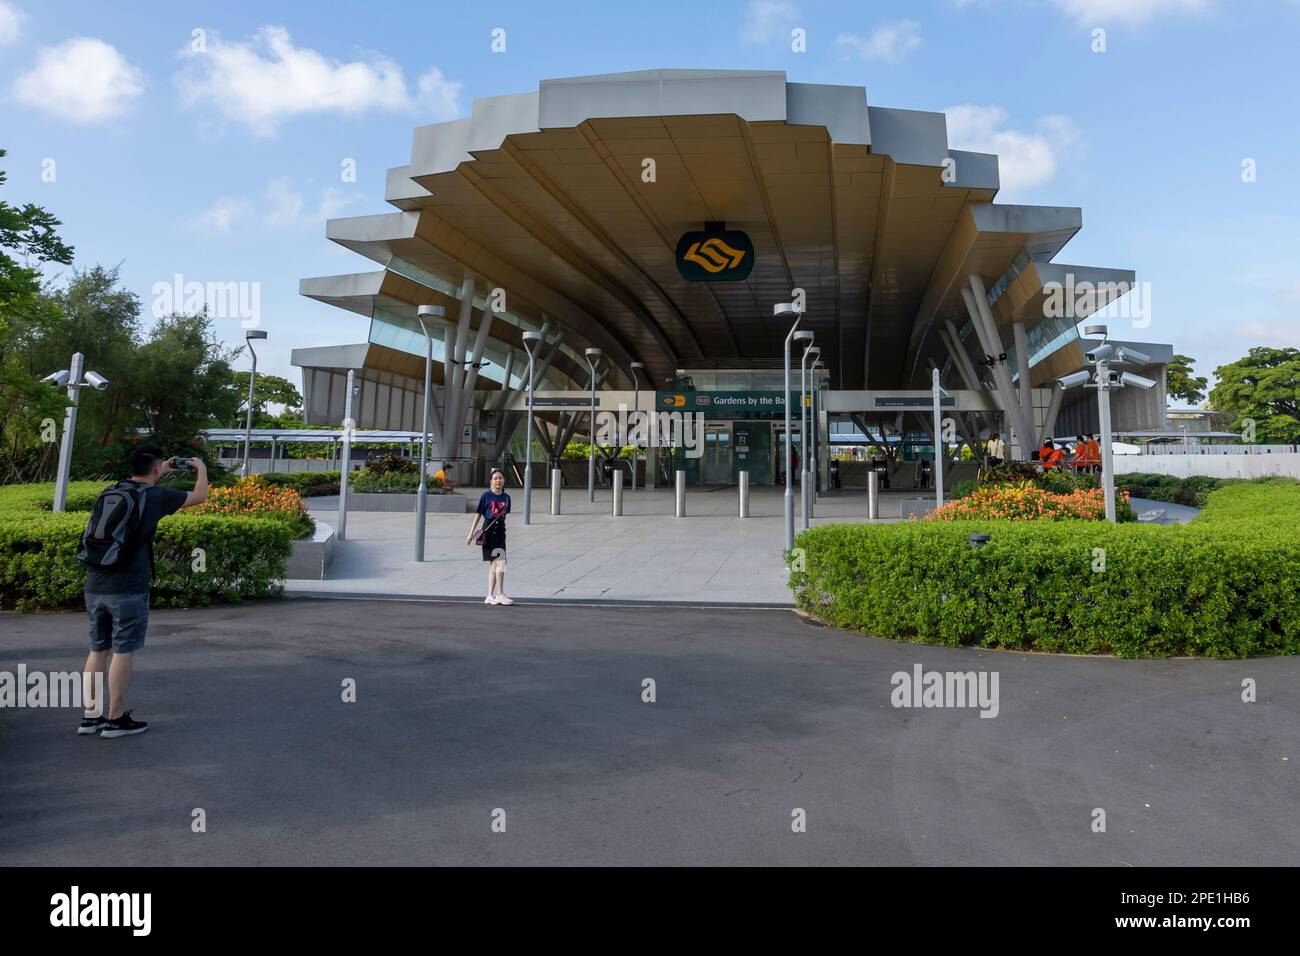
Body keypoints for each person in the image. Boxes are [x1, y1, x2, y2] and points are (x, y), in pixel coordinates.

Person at [78, 445, 208, 738]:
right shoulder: (156, 497)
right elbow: (200, 496)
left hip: (96, 583)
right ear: (157, 468)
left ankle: (90, 718)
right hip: (128, 587)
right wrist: (201, 469)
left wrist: (163, 468)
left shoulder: (112, 491)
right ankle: (115, 720)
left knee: (98, 650)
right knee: (123, 650)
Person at [467, 468, 512, 605]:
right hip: (488, 530)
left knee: (495, 564)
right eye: (496, 478)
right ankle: (499, 594)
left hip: (500, 531)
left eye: (501, 478)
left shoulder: (507, 498)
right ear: (491, 481)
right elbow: (478, 514)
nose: (498, 481)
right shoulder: (485, 496)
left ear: (504, 481)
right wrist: (471, 533)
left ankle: (489, 595)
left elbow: (504, 515)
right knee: (499, 562)